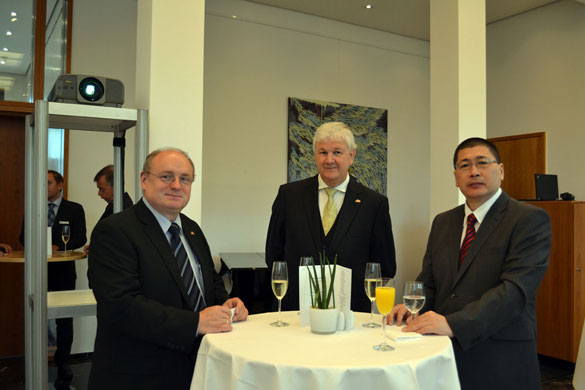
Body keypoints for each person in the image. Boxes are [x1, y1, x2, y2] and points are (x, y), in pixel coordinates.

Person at [389, 137, 551, 389]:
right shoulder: (443, 222)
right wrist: (413, 307)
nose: (474, 171)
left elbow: (515, 292)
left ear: (501, 170)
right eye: (464, 165)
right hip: (444, 354)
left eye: (482, 163)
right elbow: (429, 281)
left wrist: (453, 324)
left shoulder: (528, 220)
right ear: (456, 176)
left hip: (500, 357)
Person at [88, 147, 248, 390]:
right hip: (139, 375)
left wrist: (226, 304)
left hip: (195, 369)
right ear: (144, 180)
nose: (176, 185)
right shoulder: (115, 231)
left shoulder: (192, 229)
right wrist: (195, 322)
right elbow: (120, 305)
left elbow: (209, 282)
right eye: (166, 177)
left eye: (185, 179)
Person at [266, 122, 396, 312]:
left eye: (337, 152)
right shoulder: (289, 195)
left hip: (351, 314)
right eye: (323, 152)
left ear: (351, 156)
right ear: (315, 156)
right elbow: (273, 254)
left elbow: (385, 267)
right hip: (296, 311)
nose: (329, 159)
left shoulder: (374, 204)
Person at [19, 170, 87, 390]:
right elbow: (23, 237)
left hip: (63, 272)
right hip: (37, 271)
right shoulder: (34, 206)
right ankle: (35, 360)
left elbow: (80, 237)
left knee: (64, 321)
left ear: (60, 185)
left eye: (48, 183)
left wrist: (58, 246)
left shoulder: (74, 209)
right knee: (35, 314)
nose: (44, 186)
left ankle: (63, 363)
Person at [83, 164, 134, 255]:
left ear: (116, 186)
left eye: (102, 189)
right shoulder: (115, 205)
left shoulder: (123, 208)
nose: (99, 193)